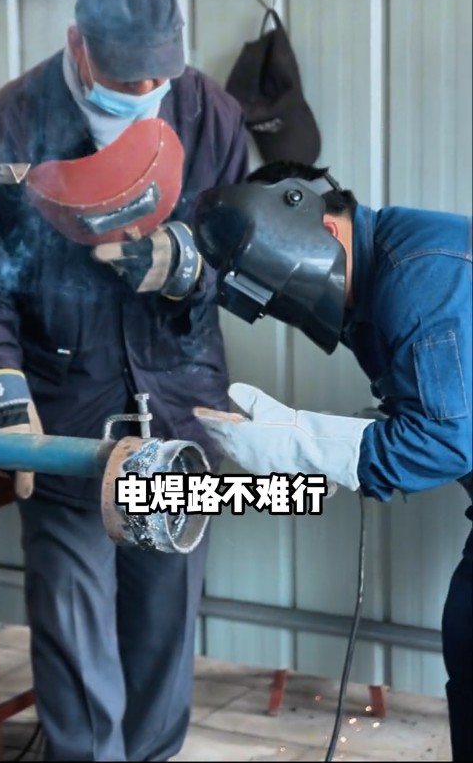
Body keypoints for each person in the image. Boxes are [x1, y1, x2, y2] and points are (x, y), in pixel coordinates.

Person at [0, 0, 249, 762]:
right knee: (73, 628)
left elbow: (240, 244)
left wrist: (189, 264)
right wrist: (0, 388)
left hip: (178, 401)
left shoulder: (207, 110)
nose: (148, 90)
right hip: (67, 414)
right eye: (128, 79)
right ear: (77, 45)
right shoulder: (5, 128)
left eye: (161, 73)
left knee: (164, 621)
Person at [192, 161, 473, 763]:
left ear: (317, 224)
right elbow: (429, 406)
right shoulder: (378, 279)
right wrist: (327, 439)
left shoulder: (414, 275)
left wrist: (303, 443)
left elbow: (446, 440)